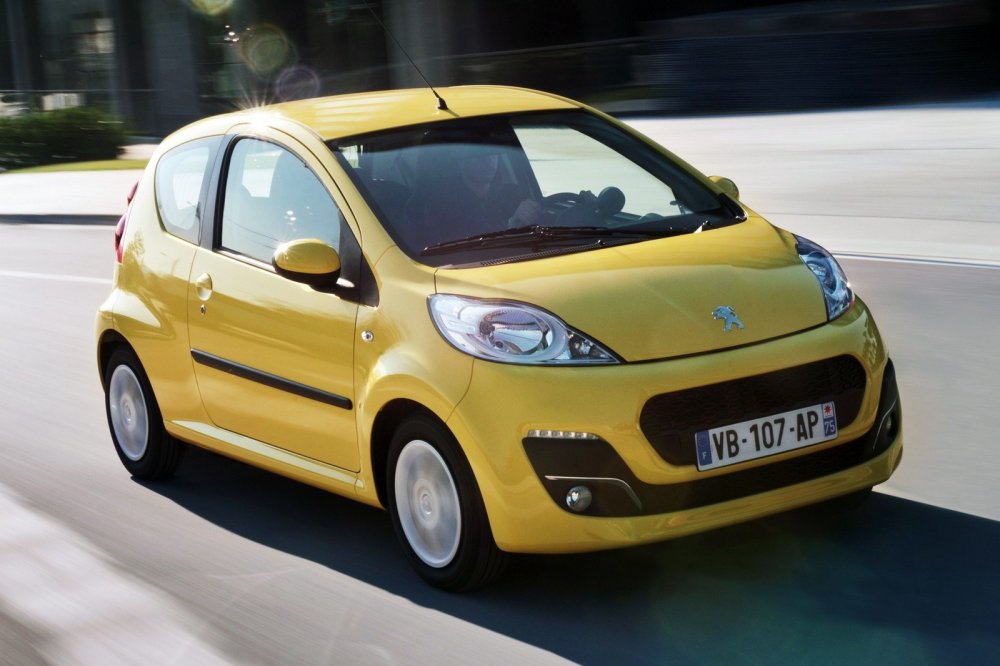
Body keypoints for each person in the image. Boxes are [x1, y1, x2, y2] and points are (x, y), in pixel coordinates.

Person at [406, 141, 541, 250]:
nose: (488, 161)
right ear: (462, 161)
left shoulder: (513, 193)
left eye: (493, 154)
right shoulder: (442, 205)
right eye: (479, 156)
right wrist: (510, 225)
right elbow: (456, 247)